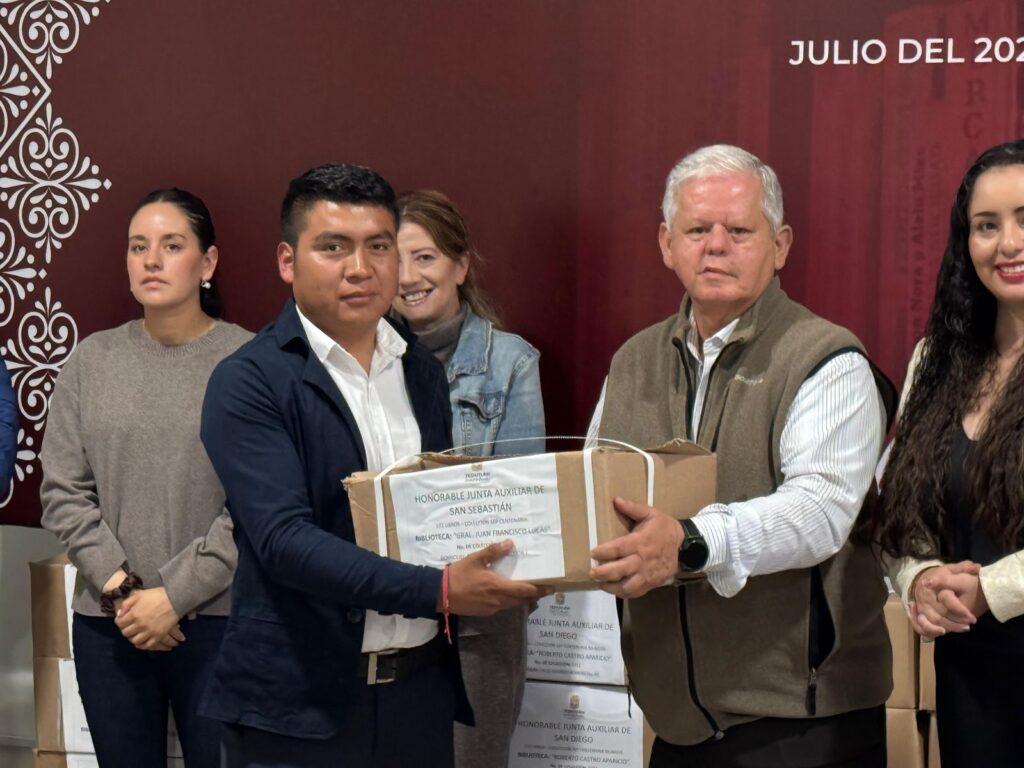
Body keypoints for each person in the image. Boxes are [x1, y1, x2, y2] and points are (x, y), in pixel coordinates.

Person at [198, 163, 546, 768]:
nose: (360, 268)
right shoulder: (249, 380)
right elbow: (284, 541)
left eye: (378, 246)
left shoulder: (420, 371)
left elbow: (437, 516)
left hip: (420, 697)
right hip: (299, 710)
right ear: (288, 261)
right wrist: (438, 589)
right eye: (333, 247)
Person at [587, 144, 895, 767]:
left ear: (780, 245)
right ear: (666, 244)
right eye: (698, 229)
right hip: (676, 723)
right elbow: (593, 493)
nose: (717, 245)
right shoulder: (632, 362)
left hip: (802, 726)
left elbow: (819, 513)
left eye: (739, 230)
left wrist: (690, 542)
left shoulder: (828, 359)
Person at [39, 188, 252, 768]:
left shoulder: (251, 365)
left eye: (172, 245)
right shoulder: (91, 361)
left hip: (218, 623)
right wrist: (125, 594)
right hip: (110, 625)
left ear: (207, 263)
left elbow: (258, 507)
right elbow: (62, 492)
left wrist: (174, 596)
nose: (151, 260)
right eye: (139, 247)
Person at [872, 139, 1024, 767]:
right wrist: (920, 579)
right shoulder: (934, 359)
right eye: (986, 226)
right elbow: (898, 508)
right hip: (971, 683)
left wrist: (993, 586)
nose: (1007, 243)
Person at [393, 189, 545, 768]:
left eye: (425, 257)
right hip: (383, 616)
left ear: (460, 266)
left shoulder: (511, 363)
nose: (409, 276)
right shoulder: (358, 365)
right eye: (396, 258)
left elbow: (522, 512)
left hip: (478, 626)